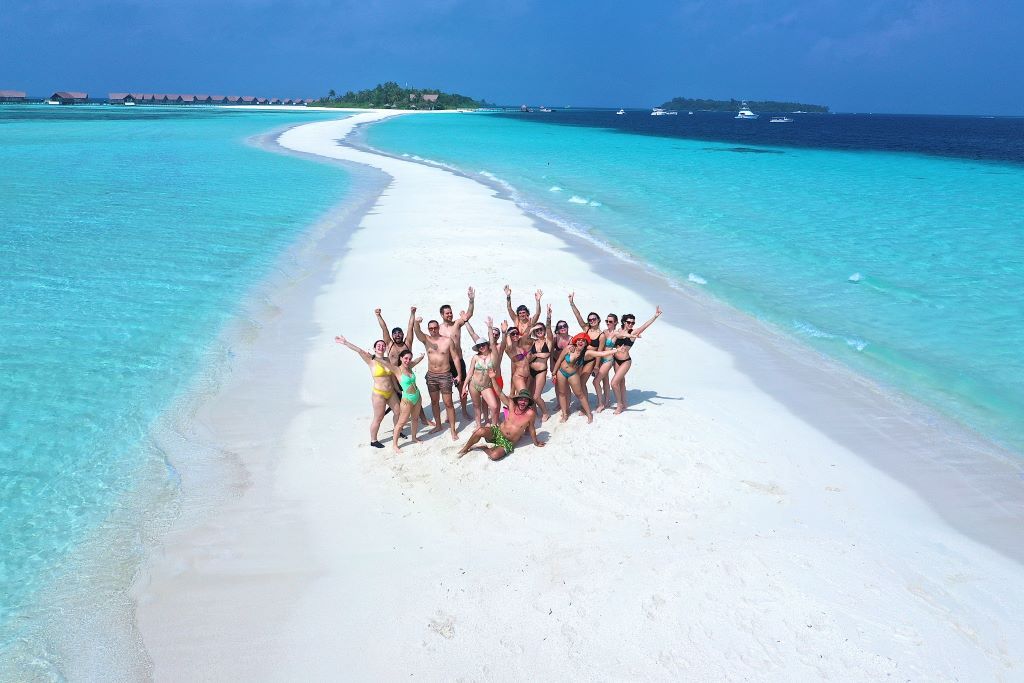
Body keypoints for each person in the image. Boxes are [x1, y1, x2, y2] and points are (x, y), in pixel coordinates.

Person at [458, 375, 546, 461]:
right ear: (517, 400)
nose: (523, 402)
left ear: (528, 402)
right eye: (521, 399)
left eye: (526, 400)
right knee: (480, 431)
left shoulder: (530, 414)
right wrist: (492, 377)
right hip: (498, 433)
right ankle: (465, 448)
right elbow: (499, 393)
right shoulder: (511, 405)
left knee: (494, 456)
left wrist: (536, 442)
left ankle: (484, 447)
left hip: (508, 442)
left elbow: (531, 429)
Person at [333, 335, 400, 448]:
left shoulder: (388, 360)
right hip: (379, 394)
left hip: (391, 392)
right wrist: (345, 342)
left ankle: (397, 430)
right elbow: (359, 350)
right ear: (374, 348)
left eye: (383, 345)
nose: (381, 347)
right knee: (378, 418)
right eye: (378, 345)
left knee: (398, 412)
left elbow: (392, 377)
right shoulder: (370, 359)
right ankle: (373, 440)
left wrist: (398, 389)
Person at [366, 348, 426, 453]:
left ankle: (414, 438)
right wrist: (374, 357)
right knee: (400, 423)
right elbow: (385, 362)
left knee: (415, 419)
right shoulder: (397, 369)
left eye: (409, 358)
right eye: (406, 358)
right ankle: (395, 445)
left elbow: (416, 361)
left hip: (417, 396)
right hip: (407, 399)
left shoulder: (410, 366)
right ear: (401, 358)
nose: (408, 360)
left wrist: (421, 356)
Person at [413, 315, 463, 439]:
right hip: (431, 376)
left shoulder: (447, 340)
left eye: (435, 328)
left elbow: (456, 358)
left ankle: (453, 430)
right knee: (434, 402)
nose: (434, 330)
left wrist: (459, 375)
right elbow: (417, 332)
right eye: (431, 328)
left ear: (438, 329)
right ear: (429, 329)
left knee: (448, 403)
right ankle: (438, 425)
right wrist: (416, 322)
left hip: (445, 375)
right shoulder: (426, 339)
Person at [554, 332, 617, 423]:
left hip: (573, 374)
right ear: (576, 341)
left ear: (586, 343)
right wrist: (553, 373)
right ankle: (564, 414)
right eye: (579, 340)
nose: (580, 342)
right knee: (562, 393)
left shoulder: (587, 353)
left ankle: (589, 413)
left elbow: (601, 353)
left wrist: (616, 350)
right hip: (561, 372)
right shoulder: (569, 348)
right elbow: (559, 360)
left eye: (583, 341)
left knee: (580, 394)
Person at [610, 307, 662, 414]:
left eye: (632, 323)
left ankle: (619, 405)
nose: (631, 324)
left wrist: (655, 316)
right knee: (621, 382)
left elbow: (645, 326)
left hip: (625, 361)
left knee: (614, 383)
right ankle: (624, 403)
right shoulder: (618, 331)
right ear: (624, 322)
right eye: (629, 322)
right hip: (616, 360)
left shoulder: (634, 332)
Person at [462, 316, 506, 427]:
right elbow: (470, 373)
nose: (481, 347)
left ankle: (494, 424)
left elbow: (494, 342)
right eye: (479, 346)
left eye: (483, 345)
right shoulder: (476, 357)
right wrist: (464, 387)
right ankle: (481, 424)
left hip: (490, 382)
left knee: (495, 404)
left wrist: (491, 329)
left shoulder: (495, 353)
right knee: (477, 406)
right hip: (475, 384)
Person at [440, 287, 475, 419]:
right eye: (447, 313)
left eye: (450, 313)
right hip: (445, 364)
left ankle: (464, 410)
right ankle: (450, 414)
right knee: (446, 389)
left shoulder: (457, 324)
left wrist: (471, 300)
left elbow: (469, 315)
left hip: (458, 362)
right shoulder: (439, 328)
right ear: (442, 315)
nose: (449, 315)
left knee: (462, 387)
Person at [567, 292, 606, 400]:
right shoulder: (586, 329)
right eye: (590, 320)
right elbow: (578, 316)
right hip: (579, 358)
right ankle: (582, 402)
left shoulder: (601, 335)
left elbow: (599, 352)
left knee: (582, 382)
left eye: (594, 319)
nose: (592, 321)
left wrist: (597, 366)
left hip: (590, 361)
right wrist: (571, 303)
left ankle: (585, 406)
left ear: (598, 320)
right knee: (576, 381)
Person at [527, 304, 555, 422]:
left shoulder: (548, 341)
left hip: (541, 371)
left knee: (536, 396)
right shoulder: (533, 342)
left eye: (541, 330)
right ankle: (534, 412)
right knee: (529, 395)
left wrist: (548, 317)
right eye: (537, 330)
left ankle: (545, 412)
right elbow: (525, 338)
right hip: (530, 370)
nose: (539, 332)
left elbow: (546, 354)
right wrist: (532, 328)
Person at [594, 313, 622, 412]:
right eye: (607, 321)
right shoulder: (604, 332)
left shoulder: (616, 333)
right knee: (605, 381)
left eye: (610, 321)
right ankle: (606, 400)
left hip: (608, 360)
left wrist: (632, 335)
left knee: (596, 381)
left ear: (615, 322)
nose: (608, 323)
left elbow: (624, 334)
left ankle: (601, 404)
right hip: (601, 358)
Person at [503, 319, 534, 393]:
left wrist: (529, 326)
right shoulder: (509, 349)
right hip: (519, 376)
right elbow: (509, 344)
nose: (515, 335)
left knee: (522, 398)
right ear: (509, 336)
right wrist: (506, 333)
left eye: (516, 333)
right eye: (513, 334)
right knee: (523, 396)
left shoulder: (521, 346)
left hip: (527, 376)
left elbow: (526, 334)